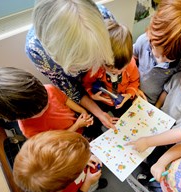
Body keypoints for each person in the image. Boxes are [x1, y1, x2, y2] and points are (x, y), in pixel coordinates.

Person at [26, 0, 118, 129]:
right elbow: (71, 90)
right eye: (79, 64)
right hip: (79, 89)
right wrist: (100, 114)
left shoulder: (104, 18)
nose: (88, 67)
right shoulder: (36, 50)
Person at [13, 130, 125, 192]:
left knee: (94, 183)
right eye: (78, 163)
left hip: (83, 180)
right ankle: (94, 191)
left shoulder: (57, 170)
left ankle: (95, 185)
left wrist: (84, 158)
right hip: (81, 189)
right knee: (92, 187)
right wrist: (87, 184)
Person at [0, 67, 101, 139]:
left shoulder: (48, 89)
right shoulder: (28, 130)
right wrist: (77, 126)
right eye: (40, 110)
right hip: (67, 139)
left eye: (46, 100)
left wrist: (83, 112)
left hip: (79, 125)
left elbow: (66, 100)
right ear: (17, 116)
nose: (46, 106)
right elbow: (55, 140)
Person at [133, 0, 181, 104]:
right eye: (154, 46)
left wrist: (156, 108)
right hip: (132, 88)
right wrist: (132, 86)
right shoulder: (144, 40)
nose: (159, 57)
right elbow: (132, 58)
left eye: (167, 56)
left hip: (150, 103)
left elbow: (168, 90)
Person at [83, 20, 139, 117]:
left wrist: (129, 94)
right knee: (94, 120)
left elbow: (135, 81)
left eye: (121, 69)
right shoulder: (96, 68)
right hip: (103, 99)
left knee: (129, 117)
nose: (116, 73)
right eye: (111, 69)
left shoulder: (131, 65)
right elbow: (87, 83)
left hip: (122, 99)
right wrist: (93, 95)